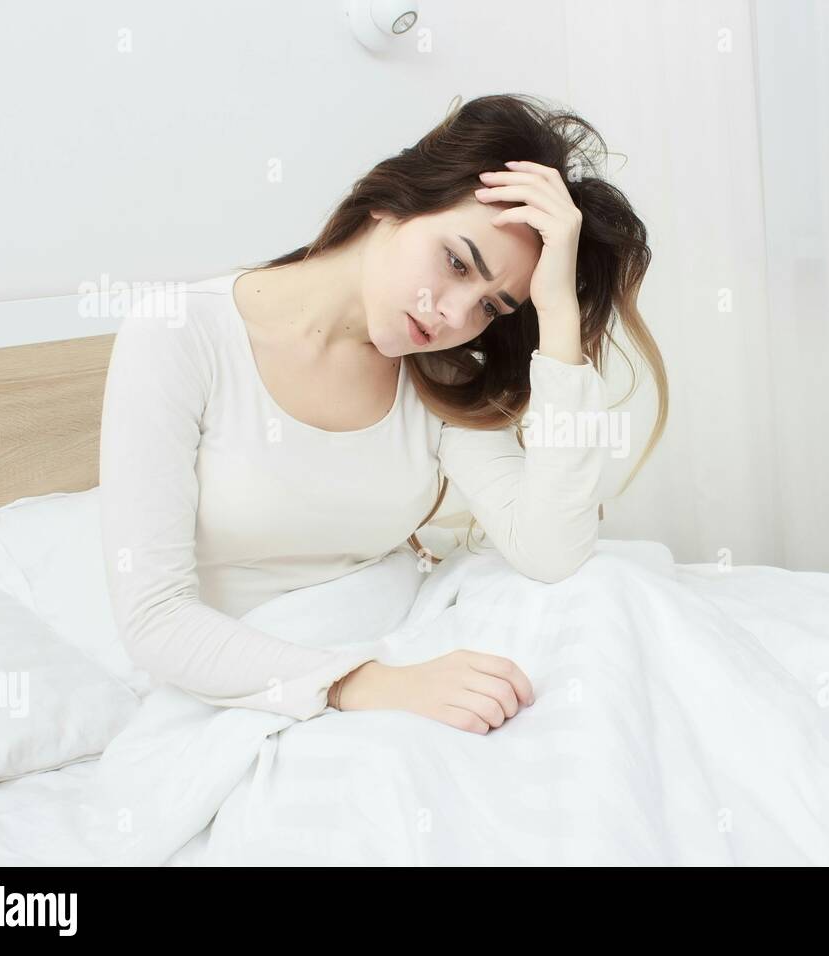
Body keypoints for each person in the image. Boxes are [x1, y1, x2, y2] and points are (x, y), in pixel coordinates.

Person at [98, 93, 668, 735]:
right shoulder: (180, 334)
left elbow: (553, 552)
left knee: (620, 622)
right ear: (391, 202)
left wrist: (558, 314)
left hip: (402, 643)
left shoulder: (440, 376)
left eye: (492, 306)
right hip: (268, 686)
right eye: (456, 262)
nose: (456, 315)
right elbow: (156, 619)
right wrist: (365, 684)